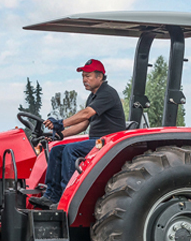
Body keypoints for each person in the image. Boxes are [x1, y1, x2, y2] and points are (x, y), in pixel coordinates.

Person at [29, 59, 126, 209]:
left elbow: (86, 114)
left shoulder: (108, 93)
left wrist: (61, 123)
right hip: (97, 140)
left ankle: (66, 198)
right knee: (57, 149)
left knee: (70, 150)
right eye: (83, 77)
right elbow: (84, 124)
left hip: (109, 142)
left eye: (88, 76)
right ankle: (51, 195)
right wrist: (60, 135)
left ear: (100, 77)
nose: (84, 80)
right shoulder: (93, 96)